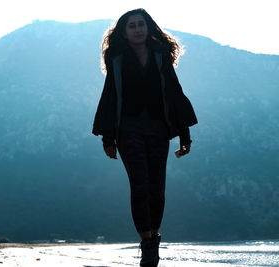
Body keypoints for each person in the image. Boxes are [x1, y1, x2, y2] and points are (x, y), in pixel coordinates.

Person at [92, 8, 198, 267]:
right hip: (127, 129)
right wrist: (107, 138)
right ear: (124, 31)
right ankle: (148, 244)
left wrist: (185, 134)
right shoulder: (116, 57)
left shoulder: (161, 56)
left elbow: (175, 93)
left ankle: (153, 238)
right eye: (132, 25)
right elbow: (110, 95)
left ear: (148, 27)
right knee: (139, 184)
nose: (138, 29)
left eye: (141, 24)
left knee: (156, 190)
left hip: (158, 130)